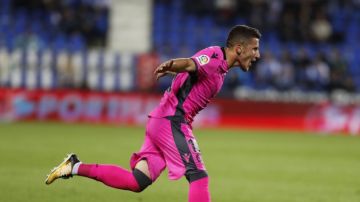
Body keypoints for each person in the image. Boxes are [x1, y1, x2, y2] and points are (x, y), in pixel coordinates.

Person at [45, 25, 261, 202]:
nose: (257, 54)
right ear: (240, 48)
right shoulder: (215, 56)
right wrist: (172, 65)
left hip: (162, 121)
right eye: (254, 49)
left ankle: (74, 167)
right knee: (198, 176)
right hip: (172, 121)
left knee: (137, 181)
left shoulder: (222, 68)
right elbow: (190, 63)